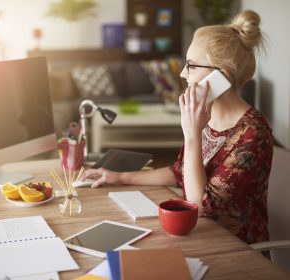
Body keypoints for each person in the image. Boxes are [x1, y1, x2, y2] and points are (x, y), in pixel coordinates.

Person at [81, 10, 273, 246]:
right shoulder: (205, 115)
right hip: (197, 235)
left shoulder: (254, 132)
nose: (183, 74)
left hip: (234, 249)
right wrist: (119, 177)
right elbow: (180, 172)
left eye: (191, 66)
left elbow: (199, 205)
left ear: (220, 77)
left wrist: (192, 135)